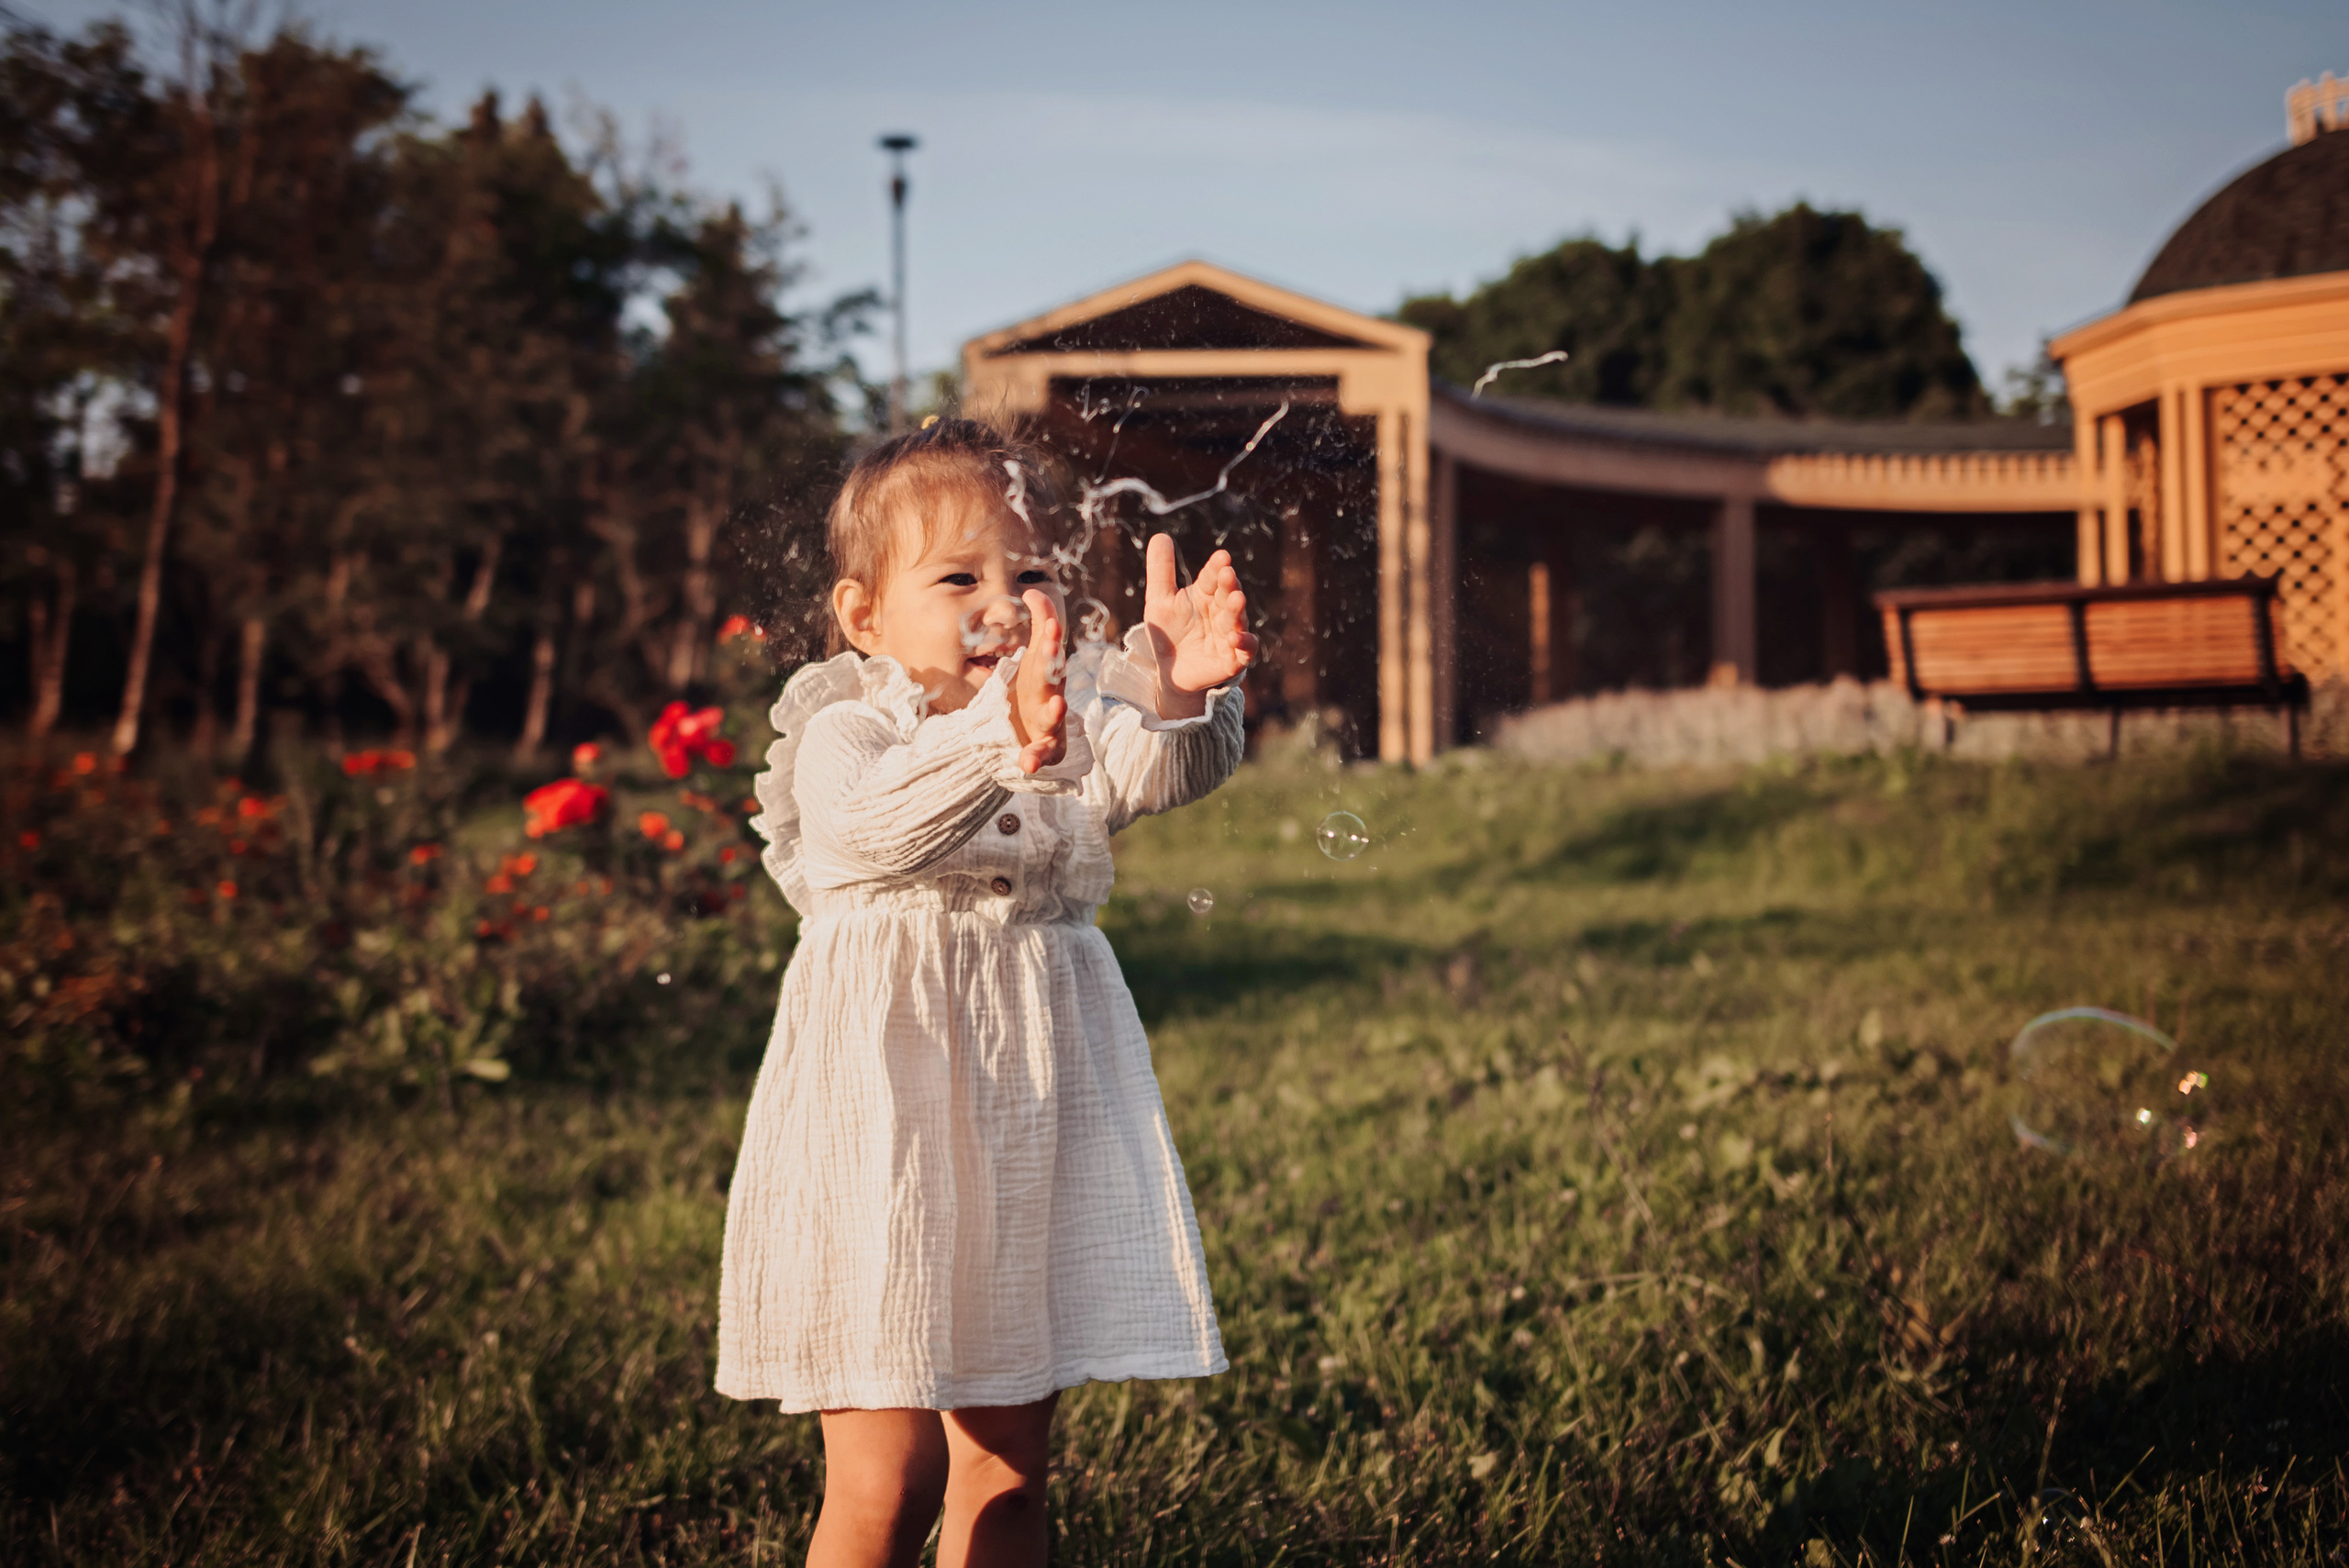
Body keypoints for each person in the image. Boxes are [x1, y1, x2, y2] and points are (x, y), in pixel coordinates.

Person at [718, 417, 1255, 1568]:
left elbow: (1162, 774)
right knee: (888, 1474)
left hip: (1024, 1119)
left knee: (1008, 1458)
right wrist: (996, 743)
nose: (1002, 602)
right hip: (884, 1139)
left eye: (1030, 573)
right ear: (865, 615)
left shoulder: (1067, 720)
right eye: (959, 574)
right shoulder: (849, 730)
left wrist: (1172, 694)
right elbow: (875, 827)